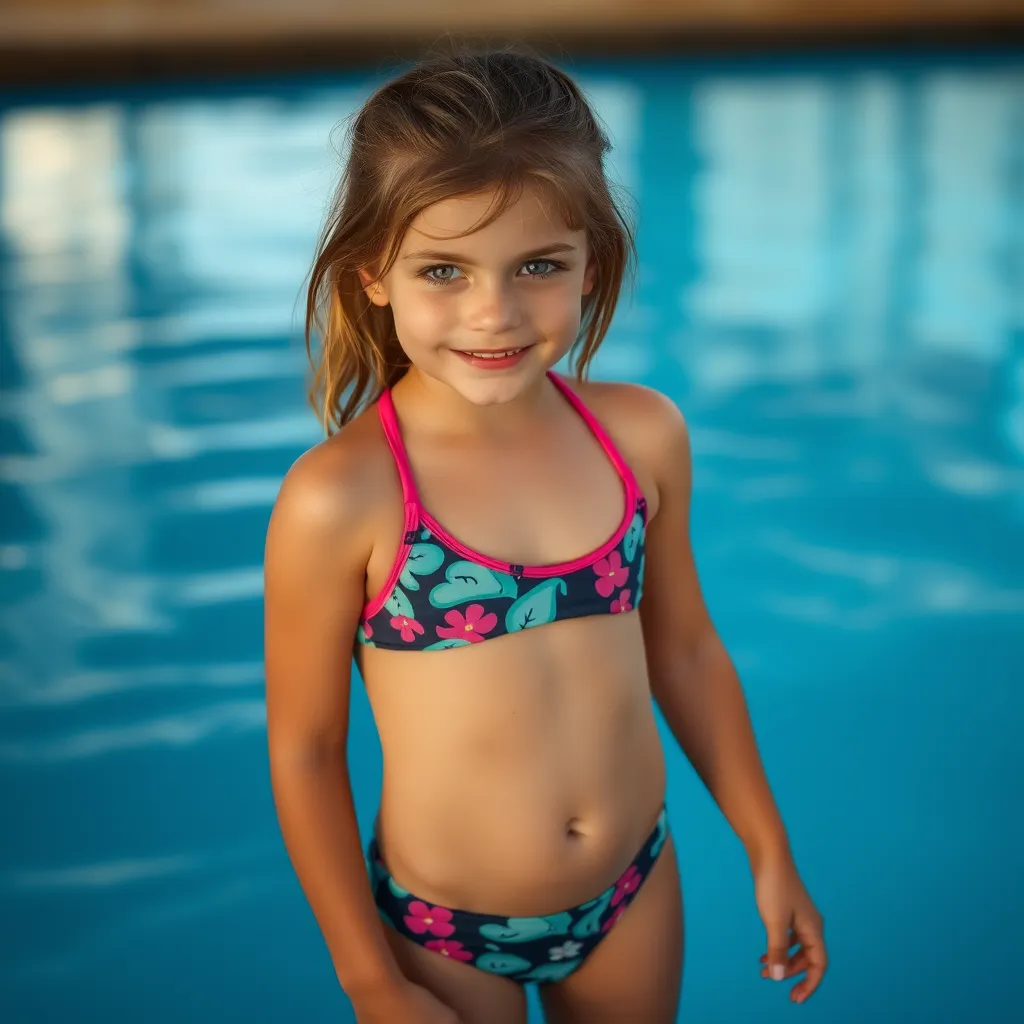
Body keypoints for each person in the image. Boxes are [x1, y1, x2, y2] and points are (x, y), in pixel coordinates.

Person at [263, 41, 828, 1024]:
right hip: (446, 928)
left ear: (588, 263)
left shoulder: (639, 434)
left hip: (632, 886)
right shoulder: (343, 496)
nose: (496, 312)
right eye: (444, 269)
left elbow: (685, 650)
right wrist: (370, 980)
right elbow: (307, 747)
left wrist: (765, 842)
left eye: (538, 265)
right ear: (373, 275)